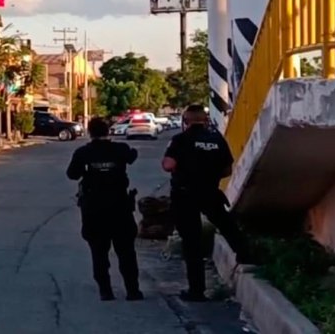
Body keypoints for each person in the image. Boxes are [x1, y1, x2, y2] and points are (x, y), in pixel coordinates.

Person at [162, 104, 250, 302]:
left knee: (191, 243)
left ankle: (197, 290)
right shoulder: (216, 139)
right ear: (205, 120)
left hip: (185, 196)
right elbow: (227, 169)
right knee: (227, 226)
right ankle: (246, 255)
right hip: (210, 192)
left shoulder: (180, 140)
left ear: (185, 121)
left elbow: (168, 165)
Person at [66, 117, 143, 302]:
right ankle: (133, 291)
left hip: (94, 209)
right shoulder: (120, 149)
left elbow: (72, 174)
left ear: (90, 133)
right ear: (108, 131)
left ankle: (105, 291)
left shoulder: (83, 152)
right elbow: (133, 156)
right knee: (126, 252)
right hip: (120, 208)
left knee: (98, 252)